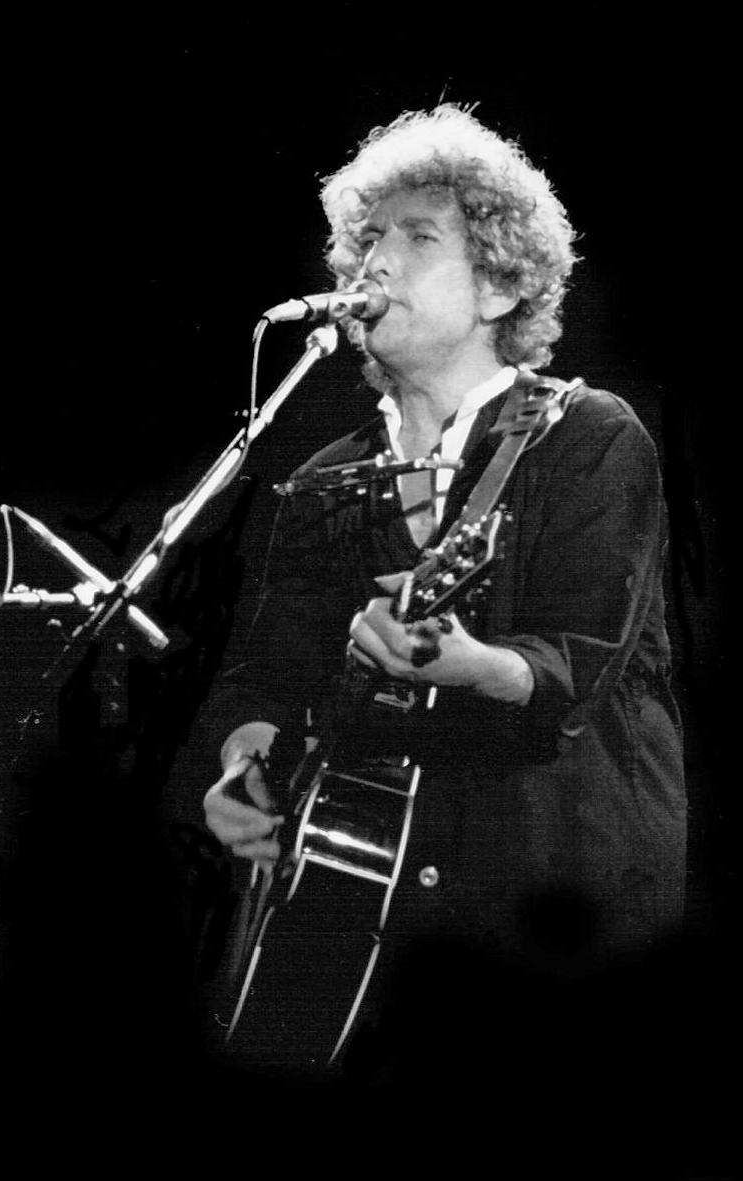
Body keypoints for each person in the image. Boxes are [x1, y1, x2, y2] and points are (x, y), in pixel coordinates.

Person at [196, 103, 687, 1083]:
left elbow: (578, 669)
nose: (376, 262)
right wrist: (242, 768)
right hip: (351, 928)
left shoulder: (588, 438)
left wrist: (473, 663)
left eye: (420, 237)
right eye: (366, 239)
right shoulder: (329, 474)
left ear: (501, 281)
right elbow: (263, 673)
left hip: (546, 920)